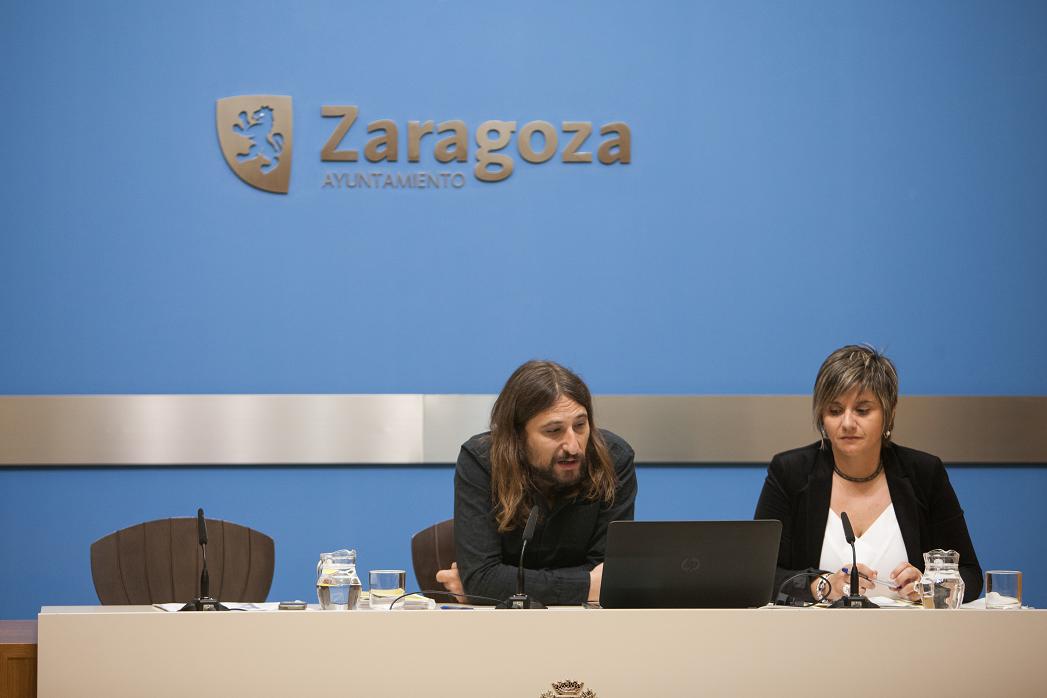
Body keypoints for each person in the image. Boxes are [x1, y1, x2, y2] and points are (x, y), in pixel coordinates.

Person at [754, 345, 982, 604]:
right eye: (835, 411)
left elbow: (970, 574)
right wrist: (823, 585)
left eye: (862, 410)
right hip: (813, 629)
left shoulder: (924, 473)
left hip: (909, 628)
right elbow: (760, 575)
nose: (847, 423)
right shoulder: (790, 473)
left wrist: (929, 587)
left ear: (889, 412)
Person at [435, 360, 637, 606]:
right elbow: (482, 578)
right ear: (517, 436)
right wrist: (585, 585)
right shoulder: (481, 461)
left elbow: (607, 576)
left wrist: (501, 586)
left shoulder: (613, 459)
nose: (573, 446)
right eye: (553, 431)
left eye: (580, 425)